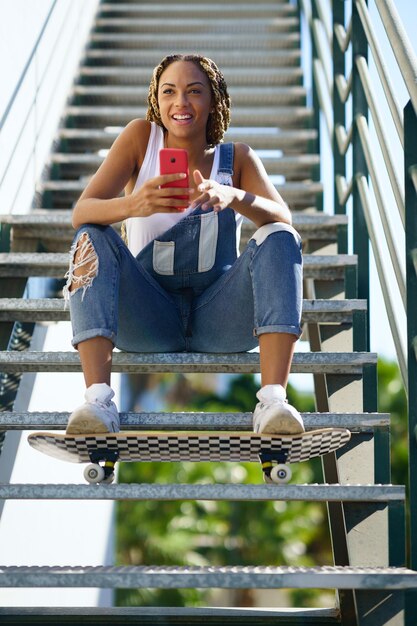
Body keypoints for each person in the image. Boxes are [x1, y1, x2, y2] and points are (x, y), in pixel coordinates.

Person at [63, 53, 304, 436]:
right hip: (148, 315)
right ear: (157, 100)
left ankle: (273, 401)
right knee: (90, 235)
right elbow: (82, 212)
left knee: (280, 234)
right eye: (169, 91)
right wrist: (133, 204)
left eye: (194, 91)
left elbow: (284, 217)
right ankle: (98, 402)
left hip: (220, 318)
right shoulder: (140, 138)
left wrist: (233, 195)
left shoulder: (237, 158)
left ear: (214, 100)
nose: (181, 102)